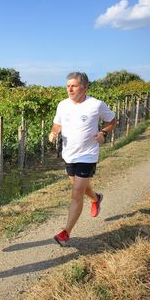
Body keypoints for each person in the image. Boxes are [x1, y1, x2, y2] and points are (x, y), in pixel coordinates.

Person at [48, 72, 117, 246]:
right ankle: (96, 198)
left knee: (77, 193)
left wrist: (103, 133)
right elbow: (58, 123)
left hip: (88, 155)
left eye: (74, 85)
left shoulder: (96, 105)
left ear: (85, 87)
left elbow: (112, 121)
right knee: (81, 188)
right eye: (67, 86)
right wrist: (54, 132)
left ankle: (66, 232)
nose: (69, 89)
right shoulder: (62, 105)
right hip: (69, 154)